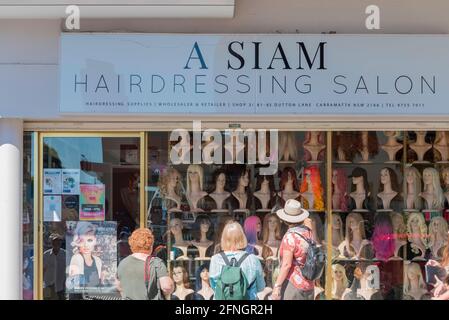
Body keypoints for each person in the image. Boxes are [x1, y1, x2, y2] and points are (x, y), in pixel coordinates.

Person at [209, 222, 265, 300]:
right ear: (242, 237)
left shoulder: (215, 259)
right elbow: (261, 287)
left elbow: (214, 286)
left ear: (223, 239)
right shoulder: (253, 259)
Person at [272, 199, 314, 300]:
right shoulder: (308, 233)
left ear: (286, 219)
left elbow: (286, 265)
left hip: (293, 284)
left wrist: (277, 286)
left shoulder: (290, 237)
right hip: (309, 284)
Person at [116, 228, 174, 300]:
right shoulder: (156, 263)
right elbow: (167, 287)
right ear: (150, 245)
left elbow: (119, 286)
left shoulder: (123, 263)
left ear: (132, 244)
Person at [67, 222, 102, 290]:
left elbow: (98, 285)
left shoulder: (98, 261)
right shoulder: (77, 258)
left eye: (89, 240)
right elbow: (76, 287)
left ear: (95, 241)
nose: (86, 245)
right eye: (82, 241)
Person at [43, 233, 66, 300]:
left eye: (58, 242)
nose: (56, 243)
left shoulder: (65, 254)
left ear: (60, 243)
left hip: (61, 287)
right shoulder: (46, 255)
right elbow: (42, 270)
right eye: (54, 242)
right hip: (48, 285)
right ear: (52, 243)